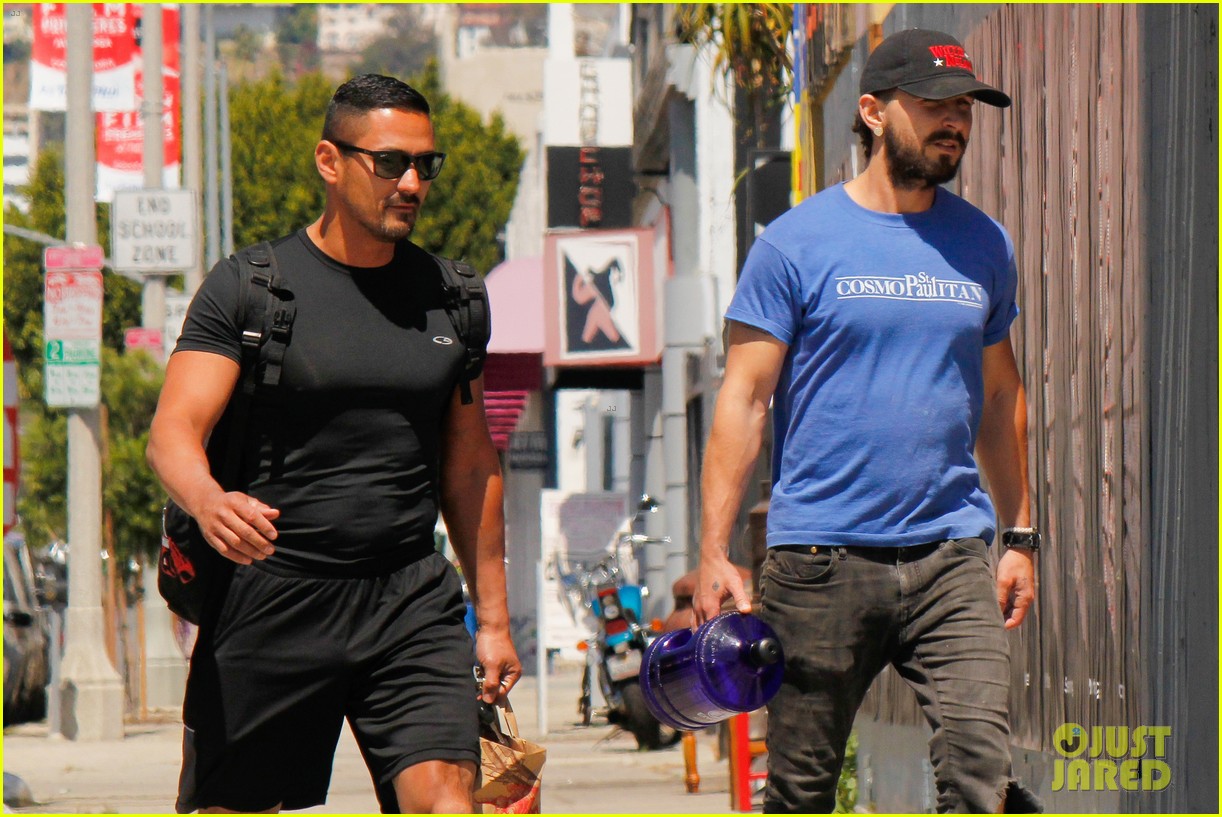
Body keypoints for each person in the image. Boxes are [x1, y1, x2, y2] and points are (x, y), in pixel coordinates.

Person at [147, 74, 520, 814]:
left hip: (409, 596)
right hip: (273, 594)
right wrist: (209, 501)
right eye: (389, 162)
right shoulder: (251, 289)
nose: (411, 183)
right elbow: (173, 432)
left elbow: (472, 466)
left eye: (425, 165)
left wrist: (495, 620)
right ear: (329, 160)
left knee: (448, 799)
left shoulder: (452, 298)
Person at [693, 29, 1037, 813]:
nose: (955, 122)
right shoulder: (794, 244)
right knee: (802, 790)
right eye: (936, 105)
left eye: (964, 107)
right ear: (875, 112)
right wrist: (713, 550)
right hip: (822, 558)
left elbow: (1000, 394)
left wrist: (1018, 534)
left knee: (981, 768)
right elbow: (745, 398)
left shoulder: (984, 243)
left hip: (951, 554)